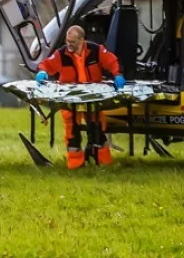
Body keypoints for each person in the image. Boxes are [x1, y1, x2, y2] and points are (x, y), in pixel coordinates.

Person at [36, 25, 125, 169]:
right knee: (72, 133)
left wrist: (118, 75)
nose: (69, 44)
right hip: (70, 100)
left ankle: (103, 163)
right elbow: (46, 64)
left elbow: (112, 61)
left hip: (93, 98)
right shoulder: (61, 54)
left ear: (82, 40)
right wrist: (42, 72)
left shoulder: (96, 51)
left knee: (98, 129)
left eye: (72, 41)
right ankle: (75, 165)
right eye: (67, 41)